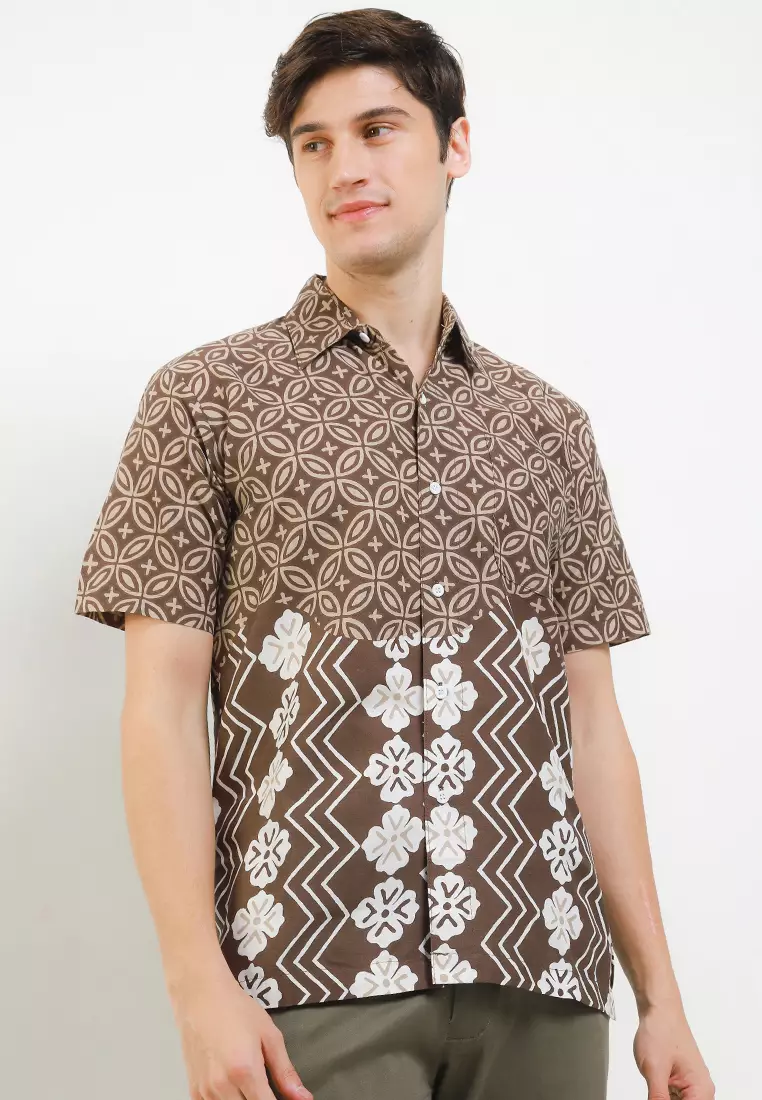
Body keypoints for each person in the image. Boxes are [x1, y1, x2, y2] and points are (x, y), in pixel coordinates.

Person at [74, 8, 714, 1100]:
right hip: (310, 967)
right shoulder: (204, 400)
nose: (345, 168)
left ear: (454, 144)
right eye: (313, 143)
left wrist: (662, 997)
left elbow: (594, 726)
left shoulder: (547, 427)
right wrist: (197, 985)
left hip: (543, 968)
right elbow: (161, 710)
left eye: (378, 129)